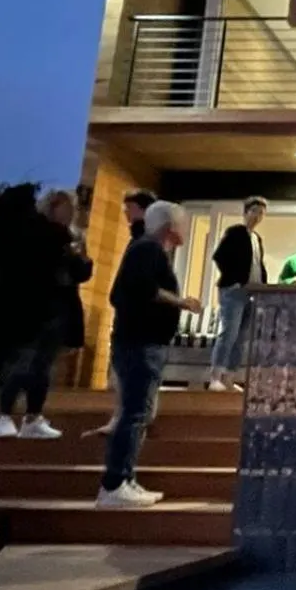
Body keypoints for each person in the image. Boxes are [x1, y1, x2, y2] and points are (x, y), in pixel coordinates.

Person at [97, 201, 200, 507]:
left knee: (139, 412)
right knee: (135, 412)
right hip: (140, 344)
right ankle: (115, 483)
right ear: (171, 227)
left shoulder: (145, 250)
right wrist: (181, 303)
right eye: (182, 224)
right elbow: (138, 289)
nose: (185, 229)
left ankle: (124, 479)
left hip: (139, 343)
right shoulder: (148, 249)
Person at [0, 185, 76, 440]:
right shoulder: (37, 235)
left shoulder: (64, 239)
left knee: (42, 367)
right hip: (31, 311)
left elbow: (75, 274)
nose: (69, 214)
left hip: (53, 312)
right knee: (21, 363)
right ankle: (2, 413)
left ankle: (32, 417)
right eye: (64, 208)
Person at [87, 188, 158, 438]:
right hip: (131, 314)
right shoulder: (141, 239)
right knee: (129, 370)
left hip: (134, 317)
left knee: (130, 370)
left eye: (129, 208)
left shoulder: (145, 240)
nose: (126, 213)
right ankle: (127, 416)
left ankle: (129, 418)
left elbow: (141, 282)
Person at [208, 196, 268, 391]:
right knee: (229, 332)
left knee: (241, 336)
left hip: (252, 292)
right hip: (234, 290)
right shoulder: (235, 232)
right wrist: (234, 280)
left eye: (261, 213)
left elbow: (258, 264)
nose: (257, 216)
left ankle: (230, 376)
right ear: (245, 213)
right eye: (254, 211)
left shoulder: (257, 238)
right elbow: (219, 256)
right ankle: (215, 375)